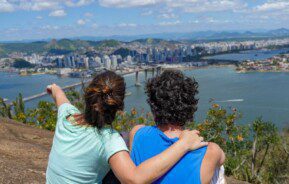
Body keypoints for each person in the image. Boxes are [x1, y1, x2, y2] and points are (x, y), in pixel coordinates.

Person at [45, 70, 208, 184]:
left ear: (89, 95)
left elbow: (61, 98)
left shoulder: (67, 116)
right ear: (119, 105)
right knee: (120, 158)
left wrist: (55, 88)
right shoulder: (109, 140)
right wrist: (183, 144)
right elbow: (134, 179)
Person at [130, 70, 226, 184]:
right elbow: (221, 159)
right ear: (190, 107)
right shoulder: (210, 151)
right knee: (218, 172)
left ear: (153, 105)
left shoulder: (137, 132)